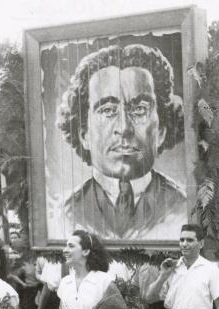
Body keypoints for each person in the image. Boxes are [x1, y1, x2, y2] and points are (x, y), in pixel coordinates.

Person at [57, 44, 186, 240]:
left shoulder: (183, 207)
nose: (124, 128)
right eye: (107, 110)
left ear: (161, 131)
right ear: (84, 134)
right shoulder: (61, 215)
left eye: (140, 109)